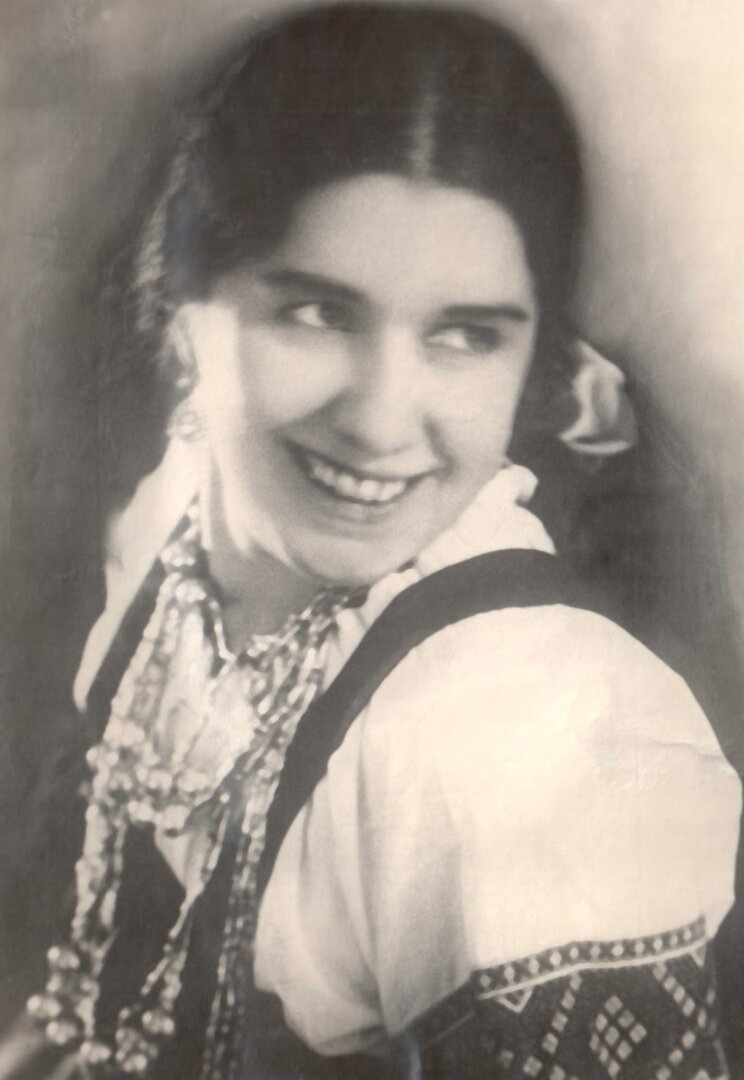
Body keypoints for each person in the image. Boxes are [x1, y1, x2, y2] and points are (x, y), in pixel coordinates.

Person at [4, 3, 740, 1077]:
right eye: (317, 313)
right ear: (189, 307)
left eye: (465, 336)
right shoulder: (180, 510)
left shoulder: (523, 734)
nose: (381, 422)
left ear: (531, 359)